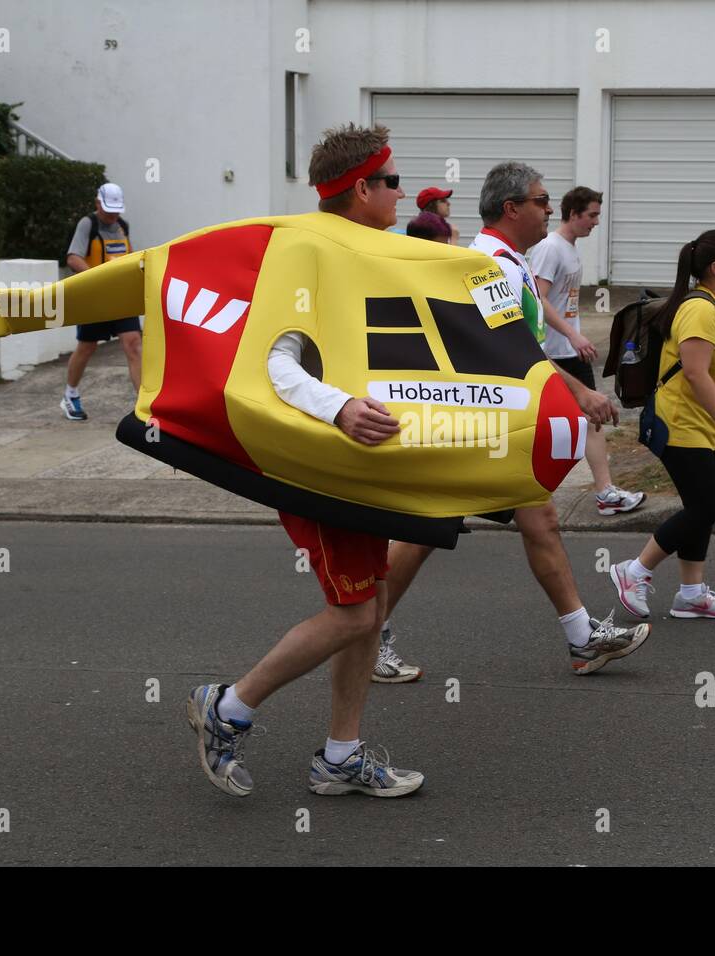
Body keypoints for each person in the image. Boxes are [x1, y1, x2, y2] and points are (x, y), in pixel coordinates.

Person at [187, 123, 425, 798]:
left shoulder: (367, 249)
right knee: (353, 614)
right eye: (393, 181)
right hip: (320, 462)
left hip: (362, 459)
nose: (402, 193)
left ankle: (340, 757)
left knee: (370, 605)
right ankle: (227, 708)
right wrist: (341, 408)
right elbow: (274, 359)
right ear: (360, 190)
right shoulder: (310, 251)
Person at [376, 162, 650, 683]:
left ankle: (581, 638)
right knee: (422, 531)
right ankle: (367, 633)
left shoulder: (509, 260)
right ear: (511, 208)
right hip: (480, 421)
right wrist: (581, 391)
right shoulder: (491, 265)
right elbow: (513, 351)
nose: (550, 209)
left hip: (495, 418)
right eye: (542, 201)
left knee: (536, 518)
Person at [609, 229, 715, 621]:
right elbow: (693, 373)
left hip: (698, 424)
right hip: (680, 423)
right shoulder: (700, 308)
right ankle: (633, 572)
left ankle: (690, 593)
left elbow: (707, 360)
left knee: (702, 508)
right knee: (703, 509)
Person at [530, 185, 645, 516]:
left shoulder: (569, 248)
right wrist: (572, 335)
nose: (596, 222)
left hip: (568, 349)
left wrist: (575, 335)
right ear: (573, 214)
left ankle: (604, 491)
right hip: (554, 354)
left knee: (589, 418)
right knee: (566, 422)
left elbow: (562, 301)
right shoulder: (551, 248)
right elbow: (538, 299)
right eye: (591, 215)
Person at [59, 183, 143, 421]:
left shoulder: (122, 226)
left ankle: (142, 405)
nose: (113, 215)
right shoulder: (88, 224)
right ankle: (70, 394)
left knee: (133, 343)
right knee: (88, 346)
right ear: (98, 204)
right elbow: (73, 257)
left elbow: (129, 256)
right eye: (108, 210)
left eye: (117, 210)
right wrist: (97, 278)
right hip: (95, 297)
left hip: (120, 297)